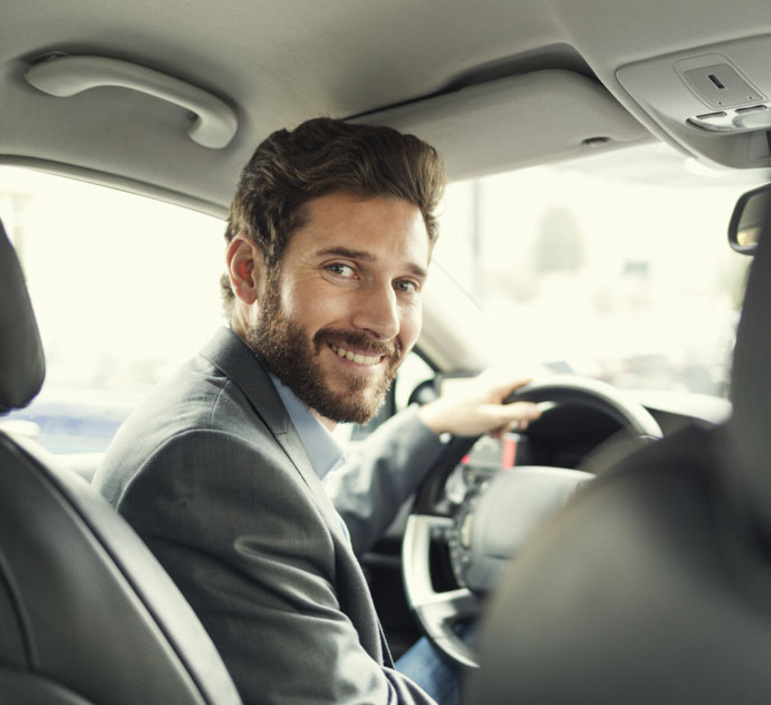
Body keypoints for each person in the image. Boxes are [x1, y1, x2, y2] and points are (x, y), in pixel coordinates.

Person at [93, 117, 540, 705]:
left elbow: (305, 525)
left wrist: (428, 425)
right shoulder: (208, 462)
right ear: (249, 272)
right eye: (343, 270)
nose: (383, 321)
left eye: (406, 284)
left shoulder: (228, 420)